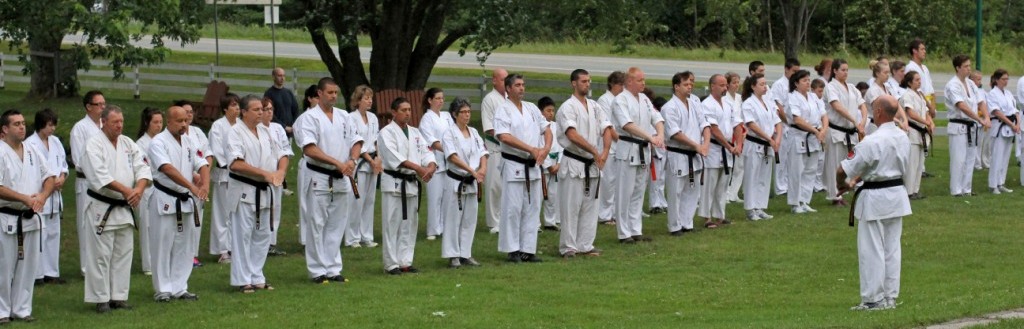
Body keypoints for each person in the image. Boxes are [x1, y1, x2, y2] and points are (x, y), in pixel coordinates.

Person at [837, 94, 911, 311]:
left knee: (872, 249)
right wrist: (855, 180)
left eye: (873, 108)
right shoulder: (903, 137)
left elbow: (843, 169)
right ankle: (890, 297)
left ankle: (873, 299)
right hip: (896, 194)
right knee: (892, 248)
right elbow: (879, 165)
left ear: (879, 112)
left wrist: (842, 184)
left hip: (876, 198)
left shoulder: (872, 140)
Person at [293, 77, 363, 283]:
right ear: (319, 94)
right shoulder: (309, 118)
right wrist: (336, 162)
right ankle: (317, 270)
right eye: (330, 92)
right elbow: (309, 148)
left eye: (336, 93)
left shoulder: (344, 116)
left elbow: (357, 141)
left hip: (342, 176)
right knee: (316, 223)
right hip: (319, 175)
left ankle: (333, 268)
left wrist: (352, 160)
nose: (334, 96)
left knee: (337, 224)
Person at [81, 105, 150, 312]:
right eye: (115, 122)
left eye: (121, 122)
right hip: (102, 206)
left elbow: (143, 168)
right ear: (103, 121)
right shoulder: (93, 145)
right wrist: (128, 192)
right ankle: (101, 299)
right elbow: (100, 175)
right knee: (100, 255)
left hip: (125, 207)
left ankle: (118, 297)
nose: (119, 126)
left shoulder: (128, 143)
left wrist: (138, 189)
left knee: (123, 253)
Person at [227, 95, 288, 293]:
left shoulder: (266, 131)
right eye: (256, 109)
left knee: (263, 234)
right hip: (245, 190)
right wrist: (266, 174)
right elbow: (236, 164)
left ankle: (257, 275)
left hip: (265, 189)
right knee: (243, 235)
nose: (261, 112)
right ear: (244, 112)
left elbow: (283, 155)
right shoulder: (235, 132)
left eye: (262, 109)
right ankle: (242, 279)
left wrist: (280, 173)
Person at [148, 105, 209, 302]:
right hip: (165, 198)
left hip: (185, 200)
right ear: (169, 121)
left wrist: (205, 185)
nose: (184, 124)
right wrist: (192, 187)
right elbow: (167, 168)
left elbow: (203, 163)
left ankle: (179, 287)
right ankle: (163, 290)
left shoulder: (190, 141)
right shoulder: (158, 142)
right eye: (179, 121)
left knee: (185, 245)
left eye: (186, 120)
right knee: (163, 244)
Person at [0, 109, 56, 322]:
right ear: (5, 129)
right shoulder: (1, 152)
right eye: (16, 124)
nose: (22, 127)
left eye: (23, 123)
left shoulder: (32, 150)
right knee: (3, 267)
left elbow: (49, 176)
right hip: (6, 215)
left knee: (28, 266)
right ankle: (2, 311)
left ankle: (21, 309)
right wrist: (23, 198)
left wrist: (42, 196)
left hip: (31, 216)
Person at [555, 69, 612, 258]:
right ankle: (568, 247)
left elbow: (607, 129)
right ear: (574, 83)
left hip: (593, 164)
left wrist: (604, 152)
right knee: (571, 207)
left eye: (589, 81)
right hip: (574, 162)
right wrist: (595, 151)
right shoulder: (567, 107)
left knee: (590, 206)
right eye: (583, 81)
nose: (587, 84)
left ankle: (585, 244)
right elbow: (571, 134)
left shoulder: (595, 106)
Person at [495, 73, 552, 262]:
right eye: (518, 85)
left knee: (532, 207)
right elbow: (504, 137)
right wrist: (531, 149)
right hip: (513, 163)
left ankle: (528, 249)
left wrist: (545, 149)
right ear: (508, 88)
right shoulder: (503, 110)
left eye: (523, 85)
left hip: (534, 165)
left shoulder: (532, 108)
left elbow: (547, 129)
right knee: (512, 209)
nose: (522, 88)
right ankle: (512, 250)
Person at [379, 97, 436, 274]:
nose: (407, 113)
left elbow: (427, 152)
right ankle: (391, 264)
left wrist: (430, 167)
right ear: (394, 112)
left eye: (409, 110)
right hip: (394, 183)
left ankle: (405, 261)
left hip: (411, 184)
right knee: (392, 224)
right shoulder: (386, 132)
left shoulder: (415, 132)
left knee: (410, 224)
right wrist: (419, 169)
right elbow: (393, 157)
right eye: (403, 110)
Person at [611, 67, 665, 243]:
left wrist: (660, 135)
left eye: (644, 80)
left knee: (639, 191)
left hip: (644, 150)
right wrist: (650, 137)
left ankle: (636, 229)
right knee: (624, 192)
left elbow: (657, 118)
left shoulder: (645, 100)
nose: (644, 83)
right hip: (628, 149)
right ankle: (623, 233)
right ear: (629, 82)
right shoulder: (620, 100)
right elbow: (627, 125)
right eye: (640, 80)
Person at [440, 97, 488, 267]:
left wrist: (482, 169)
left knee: (470, 219)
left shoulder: (474, 132)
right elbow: (452, 157)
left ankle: (465, 253)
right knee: (453, 219)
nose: (467, 115)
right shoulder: (449, 133)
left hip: (472, 181)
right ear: (454, 114)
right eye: (463, 112)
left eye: (469, 112)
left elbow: (483, 152)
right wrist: (472, 171)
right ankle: (453, 255)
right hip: (456, 181)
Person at [663, 71, 710, 234]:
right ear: (676, 87)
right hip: (678, 153)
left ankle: (687, 223)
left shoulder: (695, 104)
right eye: (685, 84)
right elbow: (675, 133)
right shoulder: (669, 108)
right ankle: (674, 225)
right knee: (676, 191)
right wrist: (697, 146)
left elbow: (705, 125)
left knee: (692, 189)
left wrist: (706, 144)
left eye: (691, 84)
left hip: (695, 153)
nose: (689, 87)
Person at [25, 109, 67, 285]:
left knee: (53, 233)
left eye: (54, 125)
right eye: (49, 125)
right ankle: (37, 274)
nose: (52, 129)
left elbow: (63, 164)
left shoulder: (56, 142)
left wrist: (62, 178)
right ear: (41, 124)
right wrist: (48, 183)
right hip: (40, 193)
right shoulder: (30, 144)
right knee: (39, 235)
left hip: (56, 195)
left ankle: (51, 272)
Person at [174, 100, 213, 268]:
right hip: (183, 182)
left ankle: (193, 254)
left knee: (197, 219)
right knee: (183, 222)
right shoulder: (173, 135)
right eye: (185, 112)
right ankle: (181, 255)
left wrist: (203, 177)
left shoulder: (197, 132)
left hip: (199, 181)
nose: (189, 115)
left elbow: (207, 155)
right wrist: (194, 176)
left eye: (191, 112)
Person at [824, 59, 868, 207]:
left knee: (847, 164)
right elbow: (837, 106)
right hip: (836, 131)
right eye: (842, 70)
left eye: (847, 70)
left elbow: (863, 105)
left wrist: (862, 121)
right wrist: (854, 120)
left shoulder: (852, 88)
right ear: (835, 71)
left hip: (850, 132)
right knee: (834, 165)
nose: (845, 72)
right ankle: (834, 196)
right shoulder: (830, 87)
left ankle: (843, 192)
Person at [71, 90, 106, 276]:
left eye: (103, 104)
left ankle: (101, 262)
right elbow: (78, 160)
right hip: (86, 182)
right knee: (85, 223)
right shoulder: (80, 128)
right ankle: (86, 268)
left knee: (103, 222)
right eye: (98, 104)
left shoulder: (105, 125)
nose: (102, 107)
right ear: (88, 107)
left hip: (105, 182)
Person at [700, 74, 741, 227]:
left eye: (725, 85)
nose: (725, 88)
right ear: (712, 86)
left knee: (723, 184)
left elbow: (737, 125)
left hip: (728, 148)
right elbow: (714, 129)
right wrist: (729, 146)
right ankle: (707, 217)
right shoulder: (707, 105)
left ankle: (719, 215)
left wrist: (738, 145)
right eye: (722, 85)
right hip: (714, 148)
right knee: (709, 184)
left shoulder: (728, 104)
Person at [945, 55, 989, 197]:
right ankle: (956, 190)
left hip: (972, 126)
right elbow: (961, 105)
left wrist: (986, 117)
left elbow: (981, 101)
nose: (969, 69)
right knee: (959, 160)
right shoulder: (953, 85)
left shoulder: (970, 84)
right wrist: (979, 118)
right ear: (957, 68)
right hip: (958, 126)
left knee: (970, 158)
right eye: (966, 66)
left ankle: (967, 189)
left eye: (969, 66)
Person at [784, 70, 828, 214]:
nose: (808, 83)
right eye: (804, 80)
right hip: (798, 135)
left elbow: (824, 115)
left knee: (810, 170)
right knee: (797, 170)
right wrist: (816, 131)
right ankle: (795, 203)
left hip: (815, 136)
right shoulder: (792, 97)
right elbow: (797, 119)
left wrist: (823, 131)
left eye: (809, 80)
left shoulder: (814, 97)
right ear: (796, 83)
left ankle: (804, 201)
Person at [345, 85, 381, 249]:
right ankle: (352, 238)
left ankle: (366, 236)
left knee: (370, 200)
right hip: (359, 162)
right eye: (366, 98)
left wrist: (378, 159)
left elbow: (376, 140)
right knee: (356, 199)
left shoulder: (373, 117)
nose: (369, 101)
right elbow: (356, 141)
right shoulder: (351, 118)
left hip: (373, 161)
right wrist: (369, 159)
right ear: (358, 100)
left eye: (370, 98)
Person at [741, 74, 781, 220]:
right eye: (761, 84)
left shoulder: (768, 102)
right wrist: (769, 138)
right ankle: (750, 209)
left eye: (766, 84)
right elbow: (751, 124)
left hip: (769, 144)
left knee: (764, 177)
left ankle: (760, 207)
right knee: (752, 177)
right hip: (754, 143)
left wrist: (777, 139)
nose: (765, 87)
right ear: (753, 86)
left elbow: (778, 122)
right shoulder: (748, 103)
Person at [207, 93, 240, 264]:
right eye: (233, 105)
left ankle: (234, 247)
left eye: (238, 105)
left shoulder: (241, 126)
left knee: (236, 212)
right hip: (224, 175)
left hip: (241, 175)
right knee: (222, 213)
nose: (237, 109)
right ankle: (222, 251)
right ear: (225, 108)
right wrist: (231, 164)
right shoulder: (218, 126)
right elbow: (217, 150)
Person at [418, 88, 453, 240]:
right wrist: (448, 150)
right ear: (430, 100)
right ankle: (432, 230)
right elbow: (431, 140)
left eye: (442, 98)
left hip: (448, 161)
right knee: (435, 197)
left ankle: (444, 226)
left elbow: (453, 134)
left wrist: (452, 150)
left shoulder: (446, 116)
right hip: (434, 160)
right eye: (437, 98)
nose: (441, 101)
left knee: (447, 196)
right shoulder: (426, 118)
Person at [261, 97, 294, 255]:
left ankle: (271, 243)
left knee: (276, 208)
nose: (269, 112)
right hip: (264, 175)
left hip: (278, 175)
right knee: (263, 209)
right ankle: (262, 243)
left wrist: (281, 171)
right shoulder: (257, 129)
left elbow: (285, 150)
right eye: (266, 109)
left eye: (271, 109)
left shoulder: (277, 128)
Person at [134, 107, 163, 274]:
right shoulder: (140, 144)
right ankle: (148, 264)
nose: (159, 126)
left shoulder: (162, 140)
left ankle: (160, 260)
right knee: (146, 226)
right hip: (147, 188)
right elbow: (145, 168)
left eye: (160, 122)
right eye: (155, 122)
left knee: (160, 226)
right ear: (147, 123)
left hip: (161, 188)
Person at [481, 68, 509, 234]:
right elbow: (489, 128)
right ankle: (493, 222)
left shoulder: (508, 99)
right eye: (503, 79)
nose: (506, 83)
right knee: (494, 186)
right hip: (495, 148)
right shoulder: (489, 100)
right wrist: (505, 137)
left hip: (509, 149)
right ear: (494, 81)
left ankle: (504, 219)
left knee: (506, 186)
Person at [597, 71, 625, 226]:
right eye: (621, 85)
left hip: (620, 146)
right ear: (613, 84)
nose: (623, 88)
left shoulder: (621, 100)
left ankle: (614, 212)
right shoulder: (604, 100)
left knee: (617, 181)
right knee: (608, 181)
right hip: (609, 145)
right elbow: (608, 126)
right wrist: (621, 141)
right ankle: (605, 214)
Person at [899, 71, 933, 200]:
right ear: (909, 82)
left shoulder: (919, 95)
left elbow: (927, 112)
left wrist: (931, 123)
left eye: (920, 79)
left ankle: (915, 190)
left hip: (922, 132)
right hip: (912, 132)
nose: (920, 82)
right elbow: (911, 113)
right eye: (917, 80)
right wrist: (926, 122)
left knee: (920, 164)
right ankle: (908, 191)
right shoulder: (907, 95)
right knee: (912, 164)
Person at [770, 58, 801, 196]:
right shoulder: (779, 85)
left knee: (790, 158)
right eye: (794, 71)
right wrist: (788, 122)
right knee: (781, 158)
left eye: (797, 71)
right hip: (783, 125)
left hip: (794, 126)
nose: (795, 74)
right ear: (786, 69)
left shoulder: (795, 85)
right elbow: (779, 107)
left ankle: (788, 184)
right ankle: (780, 186)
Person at [986, 69, 1019, 194]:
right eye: (1003, 79)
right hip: (1000, 126)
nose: (1006, 81)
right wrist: (1011, 123)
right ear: (996, 80)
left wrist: (1017, 124)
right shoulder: (992, 94)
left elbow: (1015, 110)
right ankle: (993, 185)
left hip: (1011, 128)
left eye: (1007, 79)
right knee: (997, 156)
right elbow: (997, 112)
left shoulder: (1008, 93)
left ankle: (1001, 182)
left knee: (1005, 157)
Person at [297, 84, 318, 247]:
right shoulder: (304, 118)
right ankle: (305, 239)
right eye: (316, 97)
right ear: (310, 99)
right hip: (308, 162)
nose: (319, 100)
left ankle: (319, 236)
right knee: (306, 201)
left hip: (325, 166)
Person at [538, 96, 562, 231]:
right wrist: (548, 165)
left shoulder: (557, 127)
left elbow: (562, 146)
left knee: (553, 195)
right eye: (548, 110)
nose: (551, 113)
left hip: (556, 162)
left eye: (553, 110)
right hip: (543, 164)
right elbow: (540, 146)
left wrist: (559, 163)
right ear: (541, 112)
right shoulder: (538, 127)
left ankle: (550, 221)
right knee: (540, 195)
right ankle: (535, 223)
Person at [725, 72, 746, 203]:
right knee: (729, 165)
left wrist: (745, 132)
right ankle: (726, 192)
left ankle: (734, 193)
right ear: (727, 84)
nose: (737, 85)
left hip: (741, 133)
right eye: (734, 82)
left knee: (740, 165)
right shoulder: (724, 99)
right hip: (729, 133)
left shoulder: (740, 98)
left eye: (738, 82)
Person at [647, 95, 668, 215]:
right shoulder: (651, 120)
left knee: (661, 180)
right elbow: (651, 136)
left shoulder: (661, 121)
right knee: (654, 180)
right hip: (655, 154)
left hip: (663, 153)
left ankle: (662, 202)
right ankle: (654, 204)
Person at [264, 67, 300, 137]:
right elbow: (269, 113)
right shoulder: (269, 93)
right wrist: (284, 127)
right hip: (276, 132)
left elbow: (295, 110)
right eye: (279, 76)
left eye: (284, 75)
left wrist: (294, 125)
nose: (282, 78)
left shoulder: (288, 92)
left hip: (290, 132)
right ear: (273, 77)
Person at [864, 60, 896, 135]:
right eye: (885, 72)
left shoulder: (887, 88)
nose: (888, 75)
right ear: (877, 73)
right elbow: (881, 111)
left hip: (887, 125)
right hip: (875, 127)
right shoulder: (873, 90)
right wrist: (897, 120)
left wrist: (903, 119)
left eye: (889, 72)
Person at [971, 72, 993, 170]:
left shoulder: (982, 91)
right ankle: (976, 163)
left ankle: (982, 161)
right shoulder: (970, 90)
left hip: (982, 120)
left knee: (981, 142)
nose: (979, 82)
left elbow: (985, 104)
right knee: (975, 142)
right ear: (972, 80)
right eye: (978, 79)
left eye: (980, 79)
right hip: (974, 119)